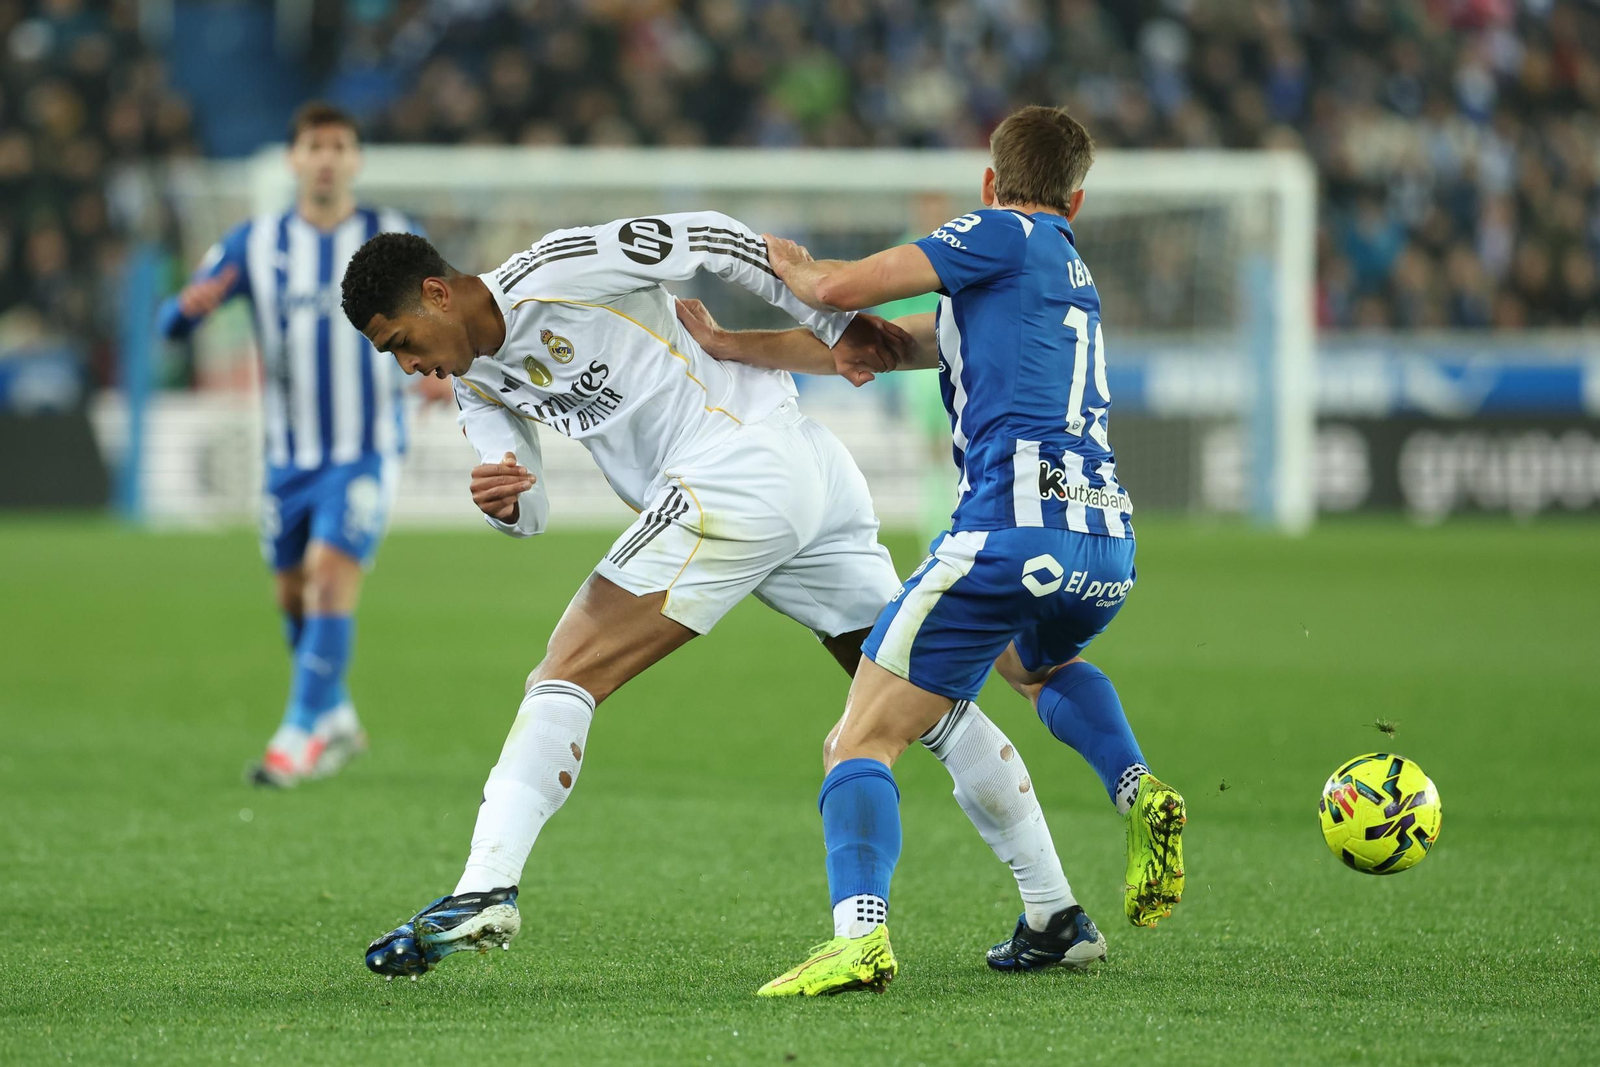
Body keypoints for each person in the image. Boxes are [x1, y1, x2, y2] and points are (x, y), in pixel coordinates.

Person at [338, 211, 1103, 979]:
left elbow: (706, 237)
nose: (410, 366)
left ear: (437, 293)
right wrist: (506, 504)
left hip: (735, 467)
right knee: (916, 696)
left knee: (565, 671)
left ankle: (484, 886)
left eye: (401, 342)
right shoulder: (475, 379)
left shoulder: (557, 270)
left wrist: (831, 322)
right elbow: (527, 509)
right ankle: (1055, 910)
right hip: (796, 470)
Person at [734, 105, 1186, 997]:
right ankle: (1130, 794)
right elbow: (894, 345)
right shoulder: (1066, 273)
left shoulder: (998, 231)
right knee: (1033, 664)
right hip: (1104, 537)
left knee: (859, 734)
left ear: (991, 182)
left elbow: (843, 293)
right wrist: (731, 346)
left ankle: (859, 937)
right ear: (1079, 198)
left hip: (1005, 531)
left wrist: (796, 268)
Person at [156, 102, 435, 786]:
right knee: (291, 594)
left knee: (330, 575)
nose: (327, 158)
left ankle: (295, 736)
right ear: (293, 159)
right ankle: (334, 711)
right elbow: (174, 320)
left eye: (340, 145)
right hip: (288, 454)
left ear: (356, 159)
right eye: (315, 145)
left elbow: (446, 310)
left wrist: (446, 373)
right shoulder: (255, 241)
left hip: (367, 445)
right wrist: (185, 313)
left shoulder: (392, 235)